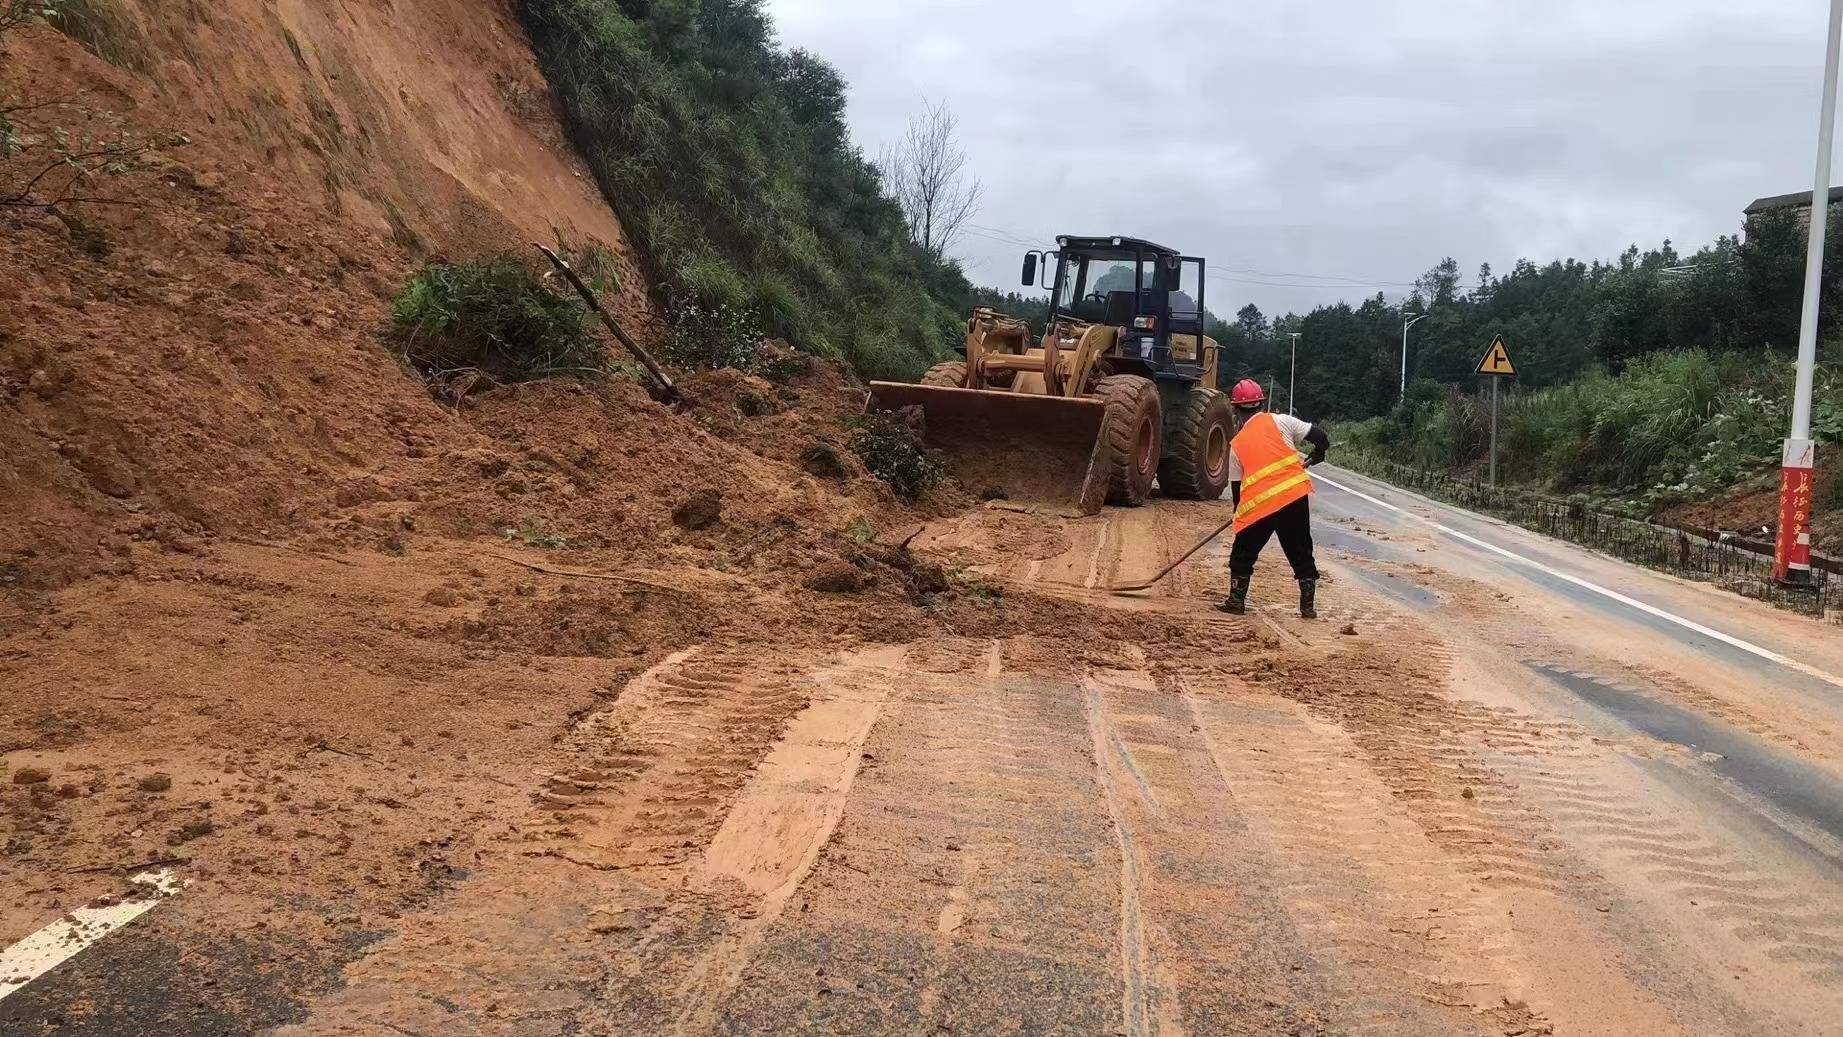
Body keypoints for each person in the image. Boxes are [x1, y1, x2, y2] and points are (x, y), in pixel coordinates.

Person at [1217, 379, 1330, 618]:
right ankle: (1308, 608)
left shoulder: (1236, 446)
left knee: (1242, 554)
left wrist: (1240, 516)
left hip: (1260, 507)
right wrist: (1318, 453)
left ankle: (1236, 602)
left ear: (1236, 409)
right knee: (1301, 552)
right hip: (1293, 498)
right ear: (1261, 403)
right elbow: (1321, 438)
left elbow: (1238, 495)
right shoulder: (1282, 421)